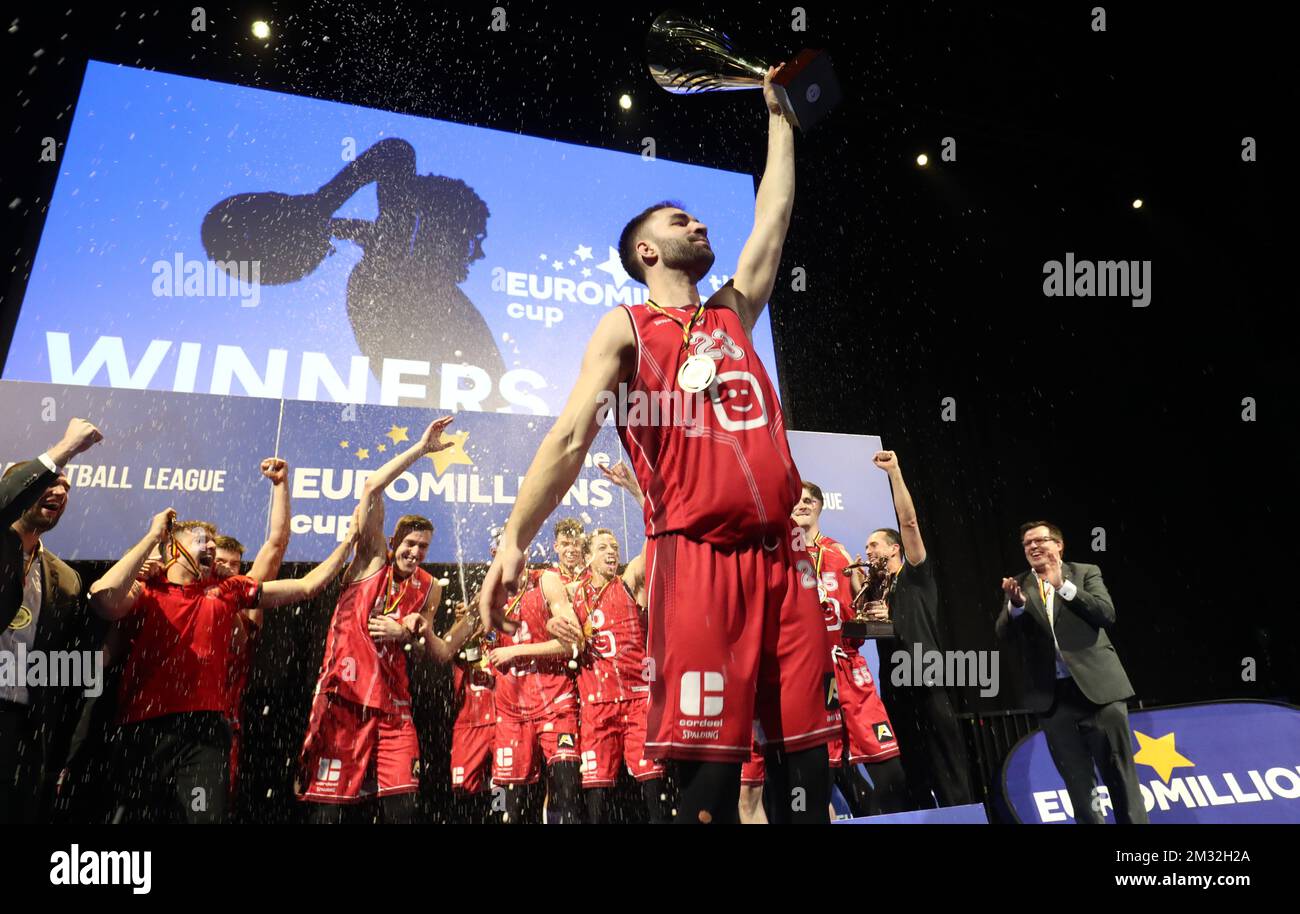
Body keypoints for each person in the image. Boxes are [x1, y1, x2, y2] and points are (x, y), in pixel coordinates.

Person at [481, 63, 838, 824]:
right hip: (697, 558)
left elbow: (772, 220)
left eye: (698, 220)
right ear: (646, 252)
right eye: (679, 222)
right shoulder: (625, 328)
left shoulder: (733, 313)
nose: (699, 225)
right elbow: (572, 434)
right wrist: (516, 536)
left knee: (804, 762)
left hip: (782, 558)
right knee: (707, 782)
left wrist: (779, 120)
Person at [88, 506, 357, 823]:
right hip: (144, 730)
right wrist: (151, 538)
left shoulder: (229, 589)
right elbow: (102, 598)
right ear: (174, 548)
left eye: (214, 542)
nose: (212, 547)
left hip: (205, 736)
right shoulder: (145, 588)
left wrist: (349, 541)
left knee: (205, 817)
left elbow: (306, 586)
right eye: (202, 540)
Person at [297, 416, 476, 823]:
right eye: (411, 544)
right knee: (329, 812)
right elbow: (372, 486)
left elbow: (439, 652)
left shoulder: (431, 587)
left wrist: (412, 633)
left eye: (425, 547)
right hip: (345, 698)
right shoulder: (371, 560)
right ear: (393, 541)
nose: (417, 553)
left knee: (405, 807)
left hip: (395, 706)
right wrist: (421, 449)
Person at [997, 521, 1147, 824]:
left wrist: (1063, 586)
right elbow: (1003, 635)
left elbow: (1106, 614)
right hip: (1055, 701)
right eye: (1027, 544)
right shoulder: (1019, 584)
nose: (1034, 547)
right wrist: (1015, 608)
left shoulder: (1084, 572)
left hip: (1100, 694)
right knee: (1079, 788)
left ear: (1059, 545)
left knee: (1120, 778)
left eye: (1040, 540)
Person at [0, 417, 104, 823]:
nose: (59, 490)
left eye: (66, 487)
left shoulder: (66, 579)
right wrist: (65, 448)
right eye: (47, 481)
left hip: (22, 732)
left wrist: (54, 751)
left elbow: (63, 670)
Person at [863, 451, 974, 808]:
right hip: (895, 687)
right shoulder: (875, 590)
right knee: (914, 771)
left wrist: (894, 472)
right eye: (865, 546)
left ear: (895, 549)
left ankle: (961, 817)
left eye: (873, 544)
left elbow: (909, 522)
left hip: (926, 678)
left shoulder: (915, 574)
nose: (867, 550)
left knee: (949, 769)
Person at [793, 481, 908, 816]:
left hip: (849, 670)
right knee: (819, 776)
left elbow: (862, 603)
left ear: (818, 505)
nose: (801, 505)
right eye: (795, 501)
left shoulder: (839, 553)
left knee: (889, 769)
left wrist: (877, 606)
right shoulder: (779, 555)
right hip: (810, 676)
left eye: (807, 500)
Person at [546, 525, 667, 823]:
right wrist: (552, 625)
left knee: (654, 788)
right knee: (596, 798)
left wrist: (647, 501)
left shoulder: (628, 583)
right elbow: (551, 616)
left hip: (638, 701)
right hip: (596, 708)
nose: (612, 551)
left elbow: (651, 552)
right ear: (587, 557)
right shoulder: (571, 595)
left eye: (614, 546)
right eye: (603, 547)